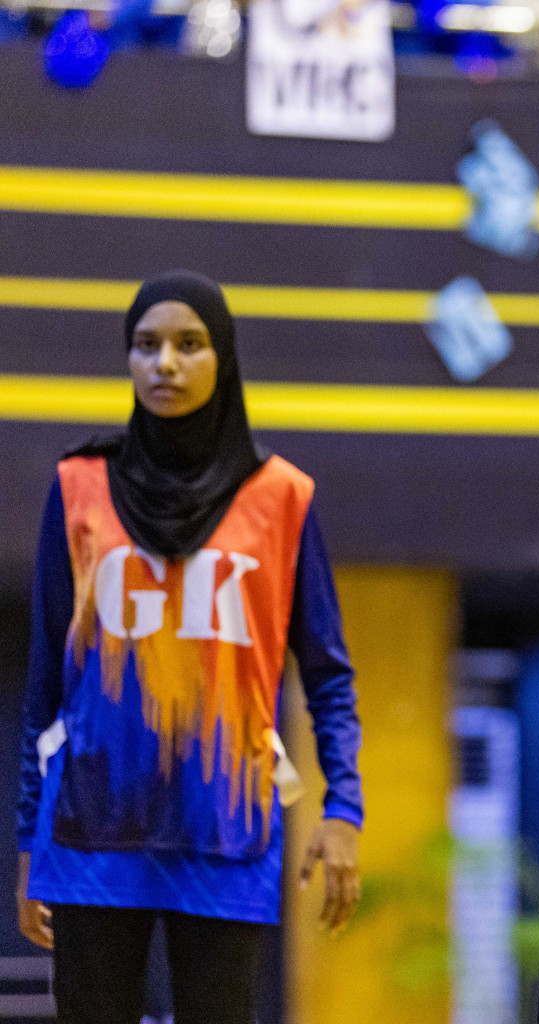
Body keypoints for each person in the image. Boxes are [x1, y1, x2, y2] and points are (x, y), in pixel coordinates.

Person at [14, 272, 364, 1024]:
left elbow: (328, 675)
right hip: (89, 837)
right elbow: (47, 685)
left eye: (188, 344)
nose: (164, 363)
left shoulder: (281, 497)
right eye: (145, 346)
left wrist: (344, 811)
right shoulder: (77, 487)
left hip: (226, 832)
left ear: (224, 358)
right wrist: (25, 841)